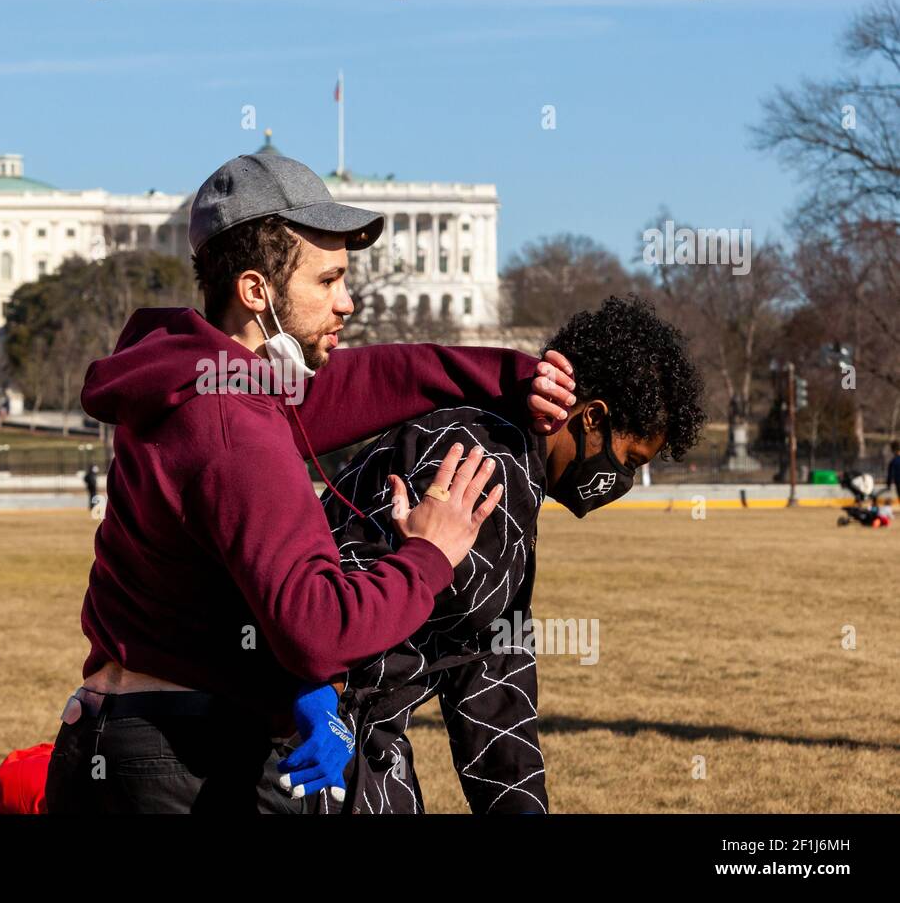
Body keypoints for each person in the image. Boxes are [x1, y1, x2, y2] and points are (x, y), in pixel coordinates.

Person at [44, 150, 578, 814]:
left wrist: (503, 372)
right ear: (256, 292)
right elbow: (318, 629)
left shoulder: (195, 383)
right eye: (328, 281)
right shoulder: (234, 427)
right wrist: (429, 555)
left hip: (104, 741)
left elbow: (358, 387)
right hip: (185, 766)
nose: (347, 302)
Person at [274, 296, 706, 813]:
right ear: (592, 418)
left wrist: (518, 802)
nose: (623, 482)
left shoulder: (516, 476)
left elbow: (489, 662)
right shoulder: (474, 459)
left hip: (360, 741)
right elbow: (329, 591)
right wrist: (316, 701)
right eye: (629, 460)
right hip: (300, 742)